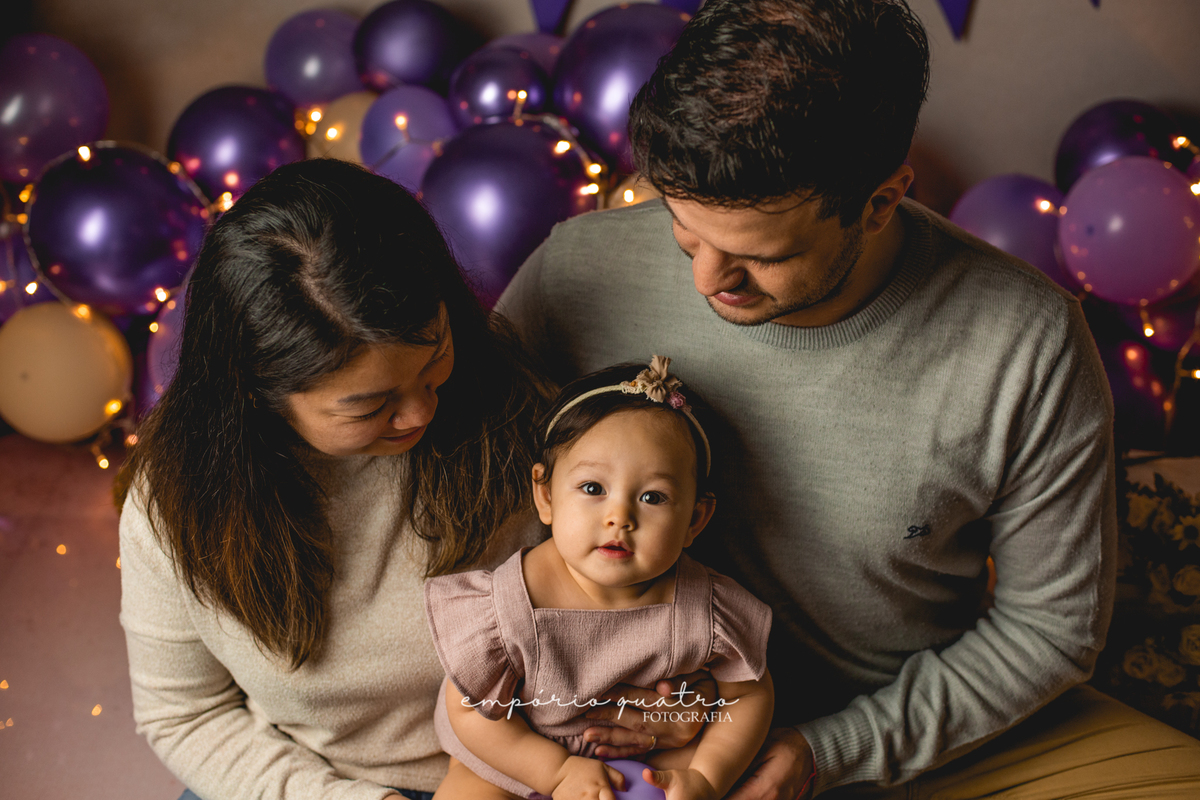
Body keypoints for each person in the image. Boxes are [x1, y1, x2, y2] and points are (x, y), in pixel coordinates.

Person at [497, 0, 1200, 797]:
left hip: (890, 731)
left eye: (760, 254)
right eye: (683, 230)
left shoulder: (1026, 340)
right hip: (598, 736)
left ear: (879, 202)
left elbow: (1051, 629)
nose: (706, 279)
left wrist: (828, 752)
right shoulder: (578, 270)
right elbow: (447, 495)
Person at [115, 159, 556, 800]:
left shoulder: (525, 420)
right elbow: (185, 715)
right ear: (257, 392)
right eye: (370, 405)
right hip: (295, 782)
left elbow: (610, 625)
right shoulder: (177, 496)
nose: (421, 412)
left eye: (435, 358)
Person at [425, 357, 775, 800]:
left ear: (694, 519)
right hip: (520, 757)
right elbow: (470, 712)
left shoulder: (705, 609)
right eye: (593, 488)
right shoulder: (509, 604)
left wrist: (707, 776)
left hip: (651, 752)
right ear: (545, 495)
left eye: (653, 497)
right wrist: (556, 773)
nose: (619, 517)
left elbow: (748, 697)